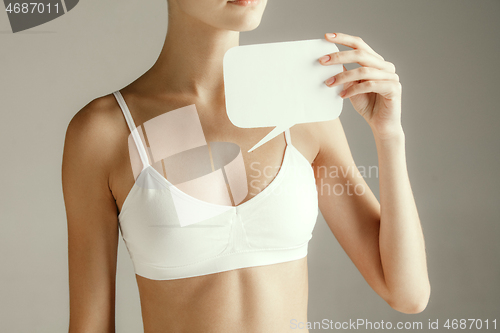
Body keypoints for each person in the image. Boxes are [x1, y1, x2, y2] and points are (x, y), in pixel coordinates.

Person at [62, 0, 430, 332]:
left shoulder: (301, 110)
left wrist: (389, 136)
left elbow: (406, 293)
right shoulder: (105, 132)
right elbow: (89, 326)